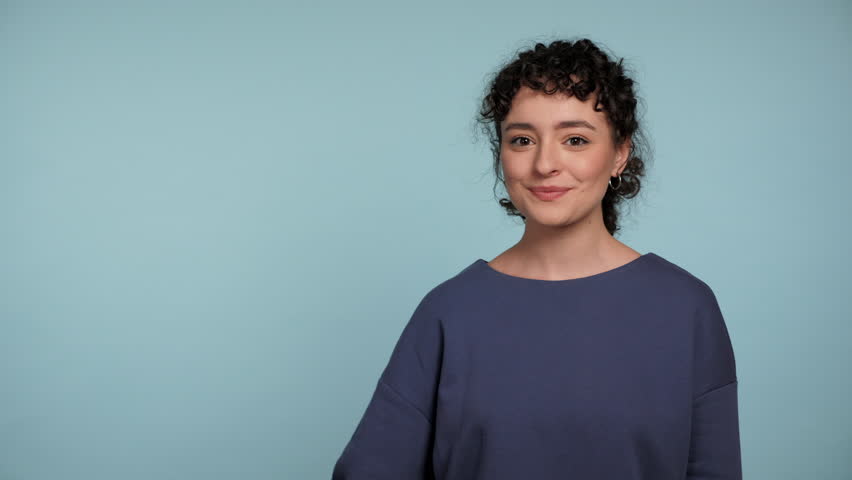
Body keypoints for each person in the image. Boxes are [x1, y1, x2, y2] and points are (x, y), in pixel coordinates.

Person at [331, 37, 741, 479]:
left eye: (576, 139)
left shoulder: (685, 308)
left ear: (620, 153)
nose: (545, 163)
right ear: (501, 155)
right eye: (523, 139)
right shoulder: (449, 313)